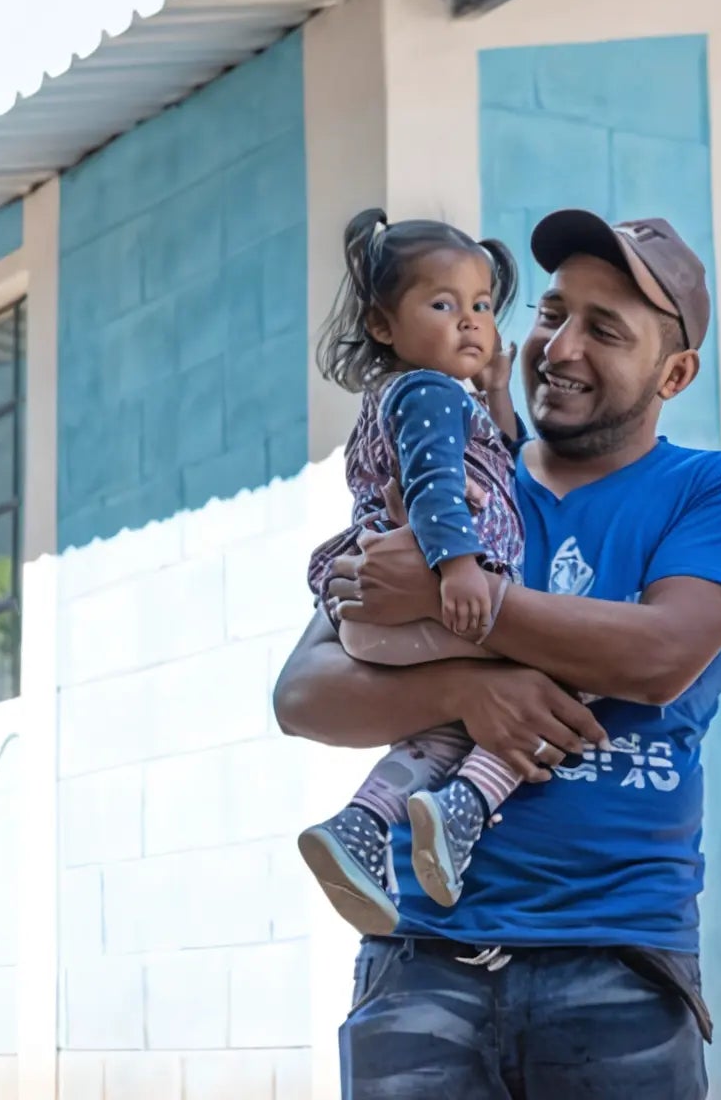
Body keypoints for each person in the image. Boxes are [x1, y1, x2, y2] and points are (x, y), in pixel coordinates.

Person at [273, 210, 721, 1100]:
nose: (560, 346)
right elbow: (306, 693)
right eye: (551, 314)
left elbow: (660, 654)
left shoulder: (718, 490)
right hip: (420, 958)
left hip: (617, 962)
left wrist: (452, 599)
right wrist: (472, 691)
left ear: (676, 371)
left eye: (605, 329)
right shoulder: (454, 474)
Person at [298, 208, 565, 935]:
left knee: (455, 720)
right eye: (443, 305)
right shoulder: (426, 393)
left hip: (390, 616)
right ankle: (468, 803)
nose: (472, 322)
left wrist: (501, 392)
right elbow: (435, 483)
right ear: (384, 326)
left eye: (481, 305)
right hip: (424, 600)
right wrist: (458, 570)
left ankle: (363, 823)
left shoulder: (438, 396)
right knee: (571, 670)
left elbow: (500, 461)